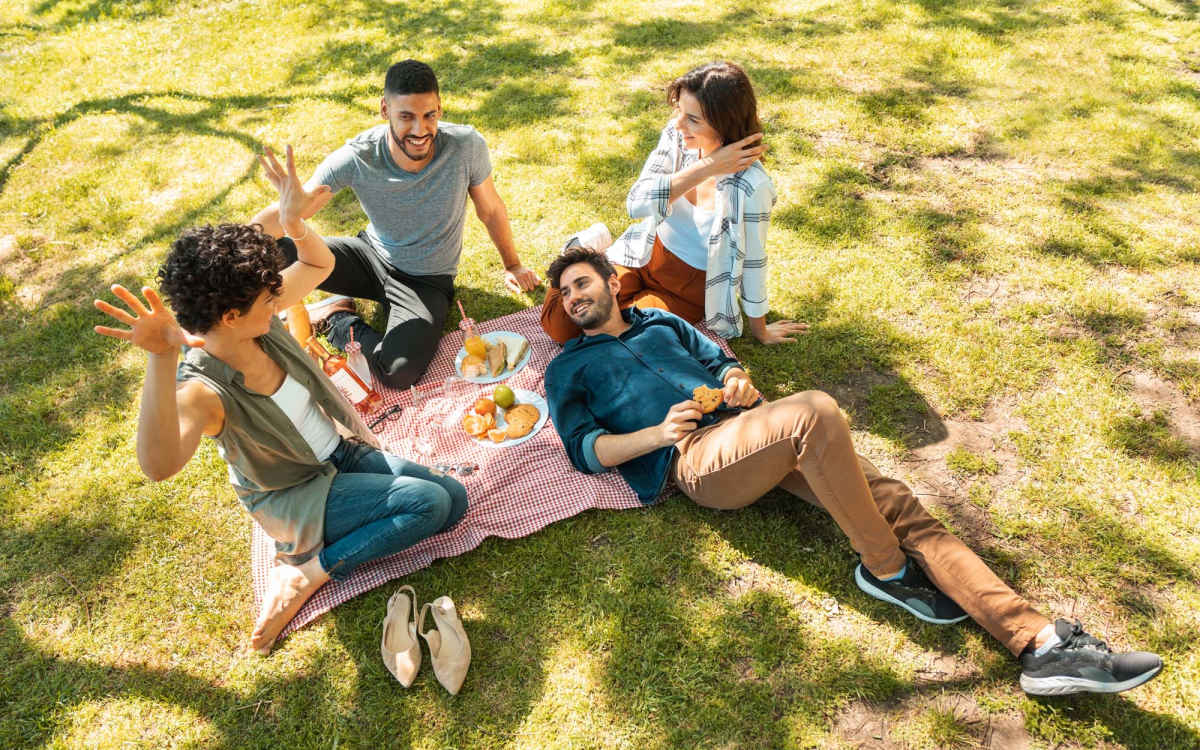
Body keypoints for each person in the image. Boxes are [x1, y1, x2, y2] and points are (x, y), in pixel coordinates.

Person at [542, 248, 1163, 696]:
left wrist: (734, 381)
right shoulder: (568, 369)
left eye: (581, 283)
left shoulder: (662, 322)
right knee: (813, 410)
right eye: (566, 294)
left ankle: (1040, 644)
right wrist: (656, 434)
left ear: (610, 282)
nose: (574, 298)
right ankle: (886, 569)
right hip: (697, 462)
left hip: (755, 429)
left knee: (897, 502)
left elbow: (723, 363)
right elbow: (585, 451)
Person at [94, 146, 468, 654]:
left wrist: (291, 221)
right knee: (426, 504)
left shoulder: (255, 320)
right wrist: (160, 358)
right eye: (268, 299)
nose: (280, 303)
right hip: (295, 492)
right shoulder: (203, 389)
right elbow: (157, 466)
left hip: (340, 453)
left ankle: (319, 548)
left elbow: (318, 260)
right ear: (228, 315)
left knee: (455, 502)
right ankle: (308, 570)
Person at [251, 59, 540, 389]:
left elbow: (490, 210)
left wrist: (513, 264)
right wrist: (236, 248)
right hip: (369, 257)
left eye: (429, 115)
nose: (420, 130)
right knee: (268, 250)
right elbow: (291, 210)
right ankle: (323, 304)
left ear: (440, 108)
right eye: (406, 116)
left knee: (398, 372)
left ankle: (336, 318)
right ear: (385, 109)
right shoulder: (358, 155)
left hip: (426, 281)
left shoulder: (465, 147)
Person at [541, 61, 806, 345]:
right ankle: (579, 250)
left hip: (686, 289)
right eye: (679, 110)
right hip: (643, 252)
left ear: (724, 122)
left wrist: (761, 330)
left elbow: (754, 261)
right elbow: (636, 203)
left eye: (693, 118)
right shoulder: (678, 137)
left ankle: (589, 262)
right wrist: (707, 167)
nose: (679, 124)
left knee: (619, 337)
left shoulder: (752, 186)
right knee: (560, 325)